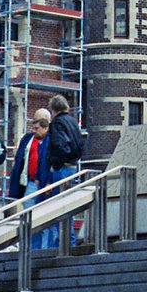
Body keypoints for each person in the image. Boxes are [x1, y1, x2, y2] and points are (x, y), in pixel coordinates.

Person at [8, 108, 52, 249]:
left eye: (40, 123)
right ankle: (31, 248)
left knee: (43, 218)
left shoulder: (51, 139)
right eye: (34, 121)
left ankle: (42, 249)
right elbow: (20, 159)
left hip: (44, 184)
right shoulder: (27, 138)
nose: (35, 126)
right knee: (28, 218)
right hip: (29, 182)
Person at [48, 95, 84, 246]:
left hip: (62, 168)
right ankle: (70, 242)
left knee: (59, 207)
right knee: (68, 206)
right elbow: (80, 144)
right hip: (73, 166)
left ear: (53, 109)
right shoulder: (73, 121)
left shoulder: (57, 122)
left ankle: (63, 244)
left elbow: (61, 145)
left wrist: (55, 162)